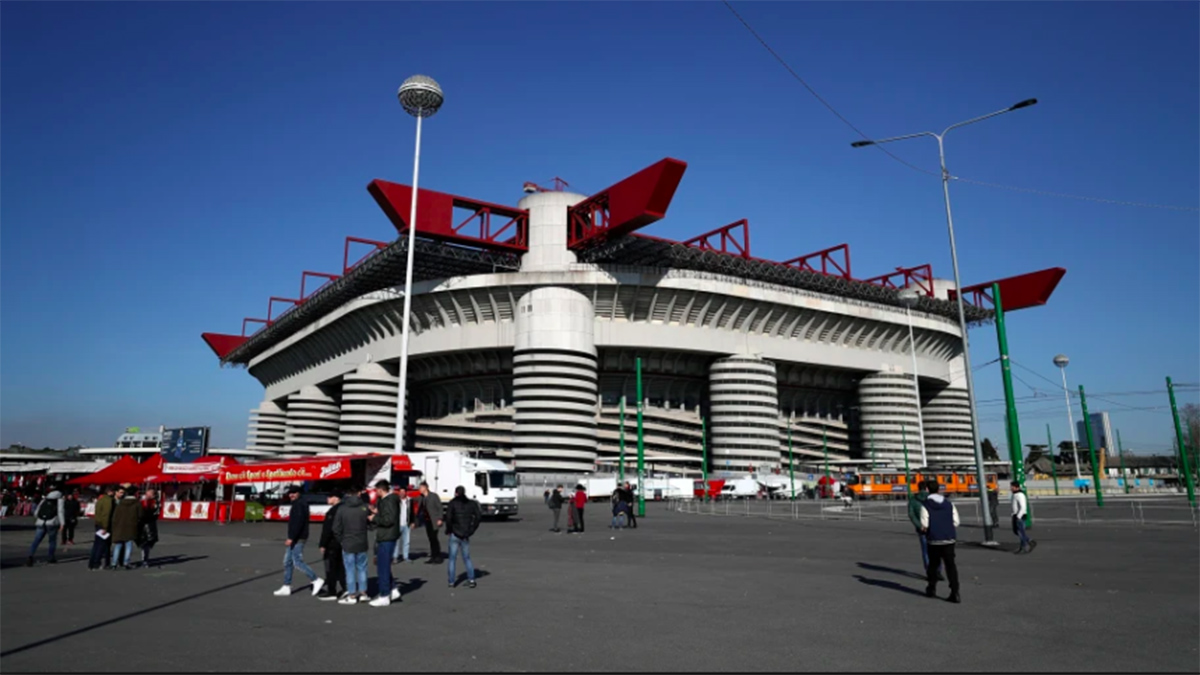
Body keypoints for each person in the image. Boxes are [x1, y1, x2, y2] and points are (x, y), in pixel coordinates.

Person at [273, 486, 324, 597]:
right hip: (296, 537)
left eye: (294, 493)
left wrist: (291, 537)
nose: (291, 495)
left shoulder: (299, 504)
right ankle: (286, 585)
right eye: (290, 493)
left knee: (297, 561)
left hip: (298, 537)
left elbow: (298, 523)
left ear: (299, 493)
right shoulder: (298, 503)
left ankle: (315, 579)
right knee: (288, 562)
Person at [918, 480, 961, 604]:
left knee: (933, 565)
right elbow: (956, 522)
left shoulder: (925, 505)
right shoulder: (949, 504)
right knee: (951, 566)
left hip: (934, 539)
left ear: (927, 490)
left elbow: (924, 524)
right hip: (949, 539)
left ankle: (931, 588)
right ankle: (955, 591)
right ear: (939, 489)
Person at [332, 486, 370, 604]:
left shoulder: (342, 508)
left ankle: (352, 595)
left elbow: (336, 528)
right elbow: (370, 523)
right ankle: (363, 593)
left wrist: (341, 540)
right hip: (362, 541)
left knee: (349, 569)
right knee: (362, 568)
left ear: (348, 494)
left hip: (348, 542)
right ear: (359, 493)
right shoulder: (364, 507)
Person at [368, 479, 402, 607]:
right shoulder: (389, 500)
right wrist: (378, 512)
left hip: (387, 536)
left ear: (381, 490)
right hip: (387, 535)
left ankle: (384, 595)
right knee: (384, 565)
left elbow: (389, 520)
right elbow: (388, 515)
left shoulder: (389, 501)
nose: (376, 493)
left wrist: (374, 518)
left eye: (377, 490)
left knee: (383, 567)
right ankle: (392, 589)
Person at [444, 485, 482, 589]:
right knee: (466, 558)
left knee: (452, 559)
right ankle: (471, 579)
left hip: (455, 533)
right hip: (465, 534)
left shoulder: (452, 503)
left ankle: (451, 582)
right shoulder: (471, 503)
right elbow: (478, 517)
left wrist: (449, 529)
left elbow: (448, 517)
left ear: (456, 493)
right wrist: (472, 529)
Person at [907, 480, 943, 580]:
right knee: (937, 550)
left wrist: (919, 525)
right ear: (927, 488)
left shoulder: (913, 500)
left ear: (918, 488)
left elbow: (911, 514)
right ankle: (938, 571)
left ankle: (929, 572)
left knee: (926, 551)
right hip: (935, 528)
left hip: (922, 529)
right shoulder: (933, 498)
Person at [26, 485, 65, 566]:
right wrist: (62, 523)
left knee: (36, 540)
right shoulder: (59, 500)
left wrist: (39, 518)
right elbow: (60, 512)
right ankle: (51, 557)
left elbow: (37, 511)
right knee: (52, 541)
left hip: (41, 522)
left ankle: (30, 555)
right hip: (52, 522)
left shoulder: (44, 499)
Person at [317, 493, 345, 601]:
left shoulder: (333, 512)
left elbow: (328, 530)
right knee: (341, 567)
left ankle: (331, 590)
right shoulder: (343, 509)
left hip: (332, 543)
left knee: (331, 567)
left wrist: (323, 544)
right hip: (342, 542)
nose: (327, 499)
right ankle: (345, 588)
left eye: (329, 497)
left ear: (336, 497)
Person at [110, 487, 143, 570]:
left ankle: (114, 563)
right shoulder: (137, 503)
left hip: (120, 526)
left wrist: (114, 525)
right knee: (128, 544)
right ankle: (126, 562)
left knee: (118, 545)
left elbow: (115, 516)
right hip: (131, 526)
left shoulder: (120, 503)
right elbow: (141, 515)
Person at [89, 486, 116, 570]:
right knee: (102, 545)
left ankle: (92, 563)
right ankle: (97, 562)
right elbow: (106, 514)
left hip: (98, 524)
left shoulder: (101, 499)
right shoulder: (108, 501)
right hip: (104, 525)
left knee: (97, 544)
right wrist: (105, 527)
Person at [417, 482, 443, 564]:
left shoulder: (433, 496)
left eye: (421, 488)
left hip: (434, 520)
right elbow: (414, 500)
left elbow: (439, 507)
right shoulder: (422, 497)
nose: (419, 489)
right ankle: (433, 556)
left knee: (434, 538)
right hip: (427, 521)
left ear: (425, 488)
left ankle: (437, 556)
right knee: (431, 539)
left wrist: (440, 518)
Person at [1010, 481, 1036, 554]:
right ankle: (1028, 541)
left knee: (1020, 532)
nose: (1011, 488)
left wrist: (1018, 516)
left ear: (1017, 487)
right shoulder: (1015, 494)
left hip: (1019, 516)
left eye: (1012, 487)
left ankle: (1025, 546)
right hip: (1016, 515)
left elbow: (1023, 507)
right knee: (1017, 531)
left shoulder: (1020, 495)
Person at [138, 489, 160, 567]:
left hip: (150, 525)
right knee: (144, 543)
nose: (147, 495)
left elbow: (156, 513)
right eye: (146, 494)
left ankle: (145, 560)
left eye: (149, 494)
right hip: (143, 525)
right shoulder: (142, 501)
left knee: (147, 543)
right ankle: (144, 559)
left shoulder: (155, 502)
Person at [391, 485, 412, 564]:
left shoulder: (409, 501)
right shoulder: (396, 501)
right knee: (396, 541)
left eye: (404, 492)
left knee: (406, 541)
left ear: (406, 492)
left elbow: (412, 512)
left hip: (406, 524)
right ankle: (395, 557)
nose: (402, 493)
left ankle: (405, 556)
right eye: (401, 492)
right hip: (397, 524)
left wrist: (412, 522)